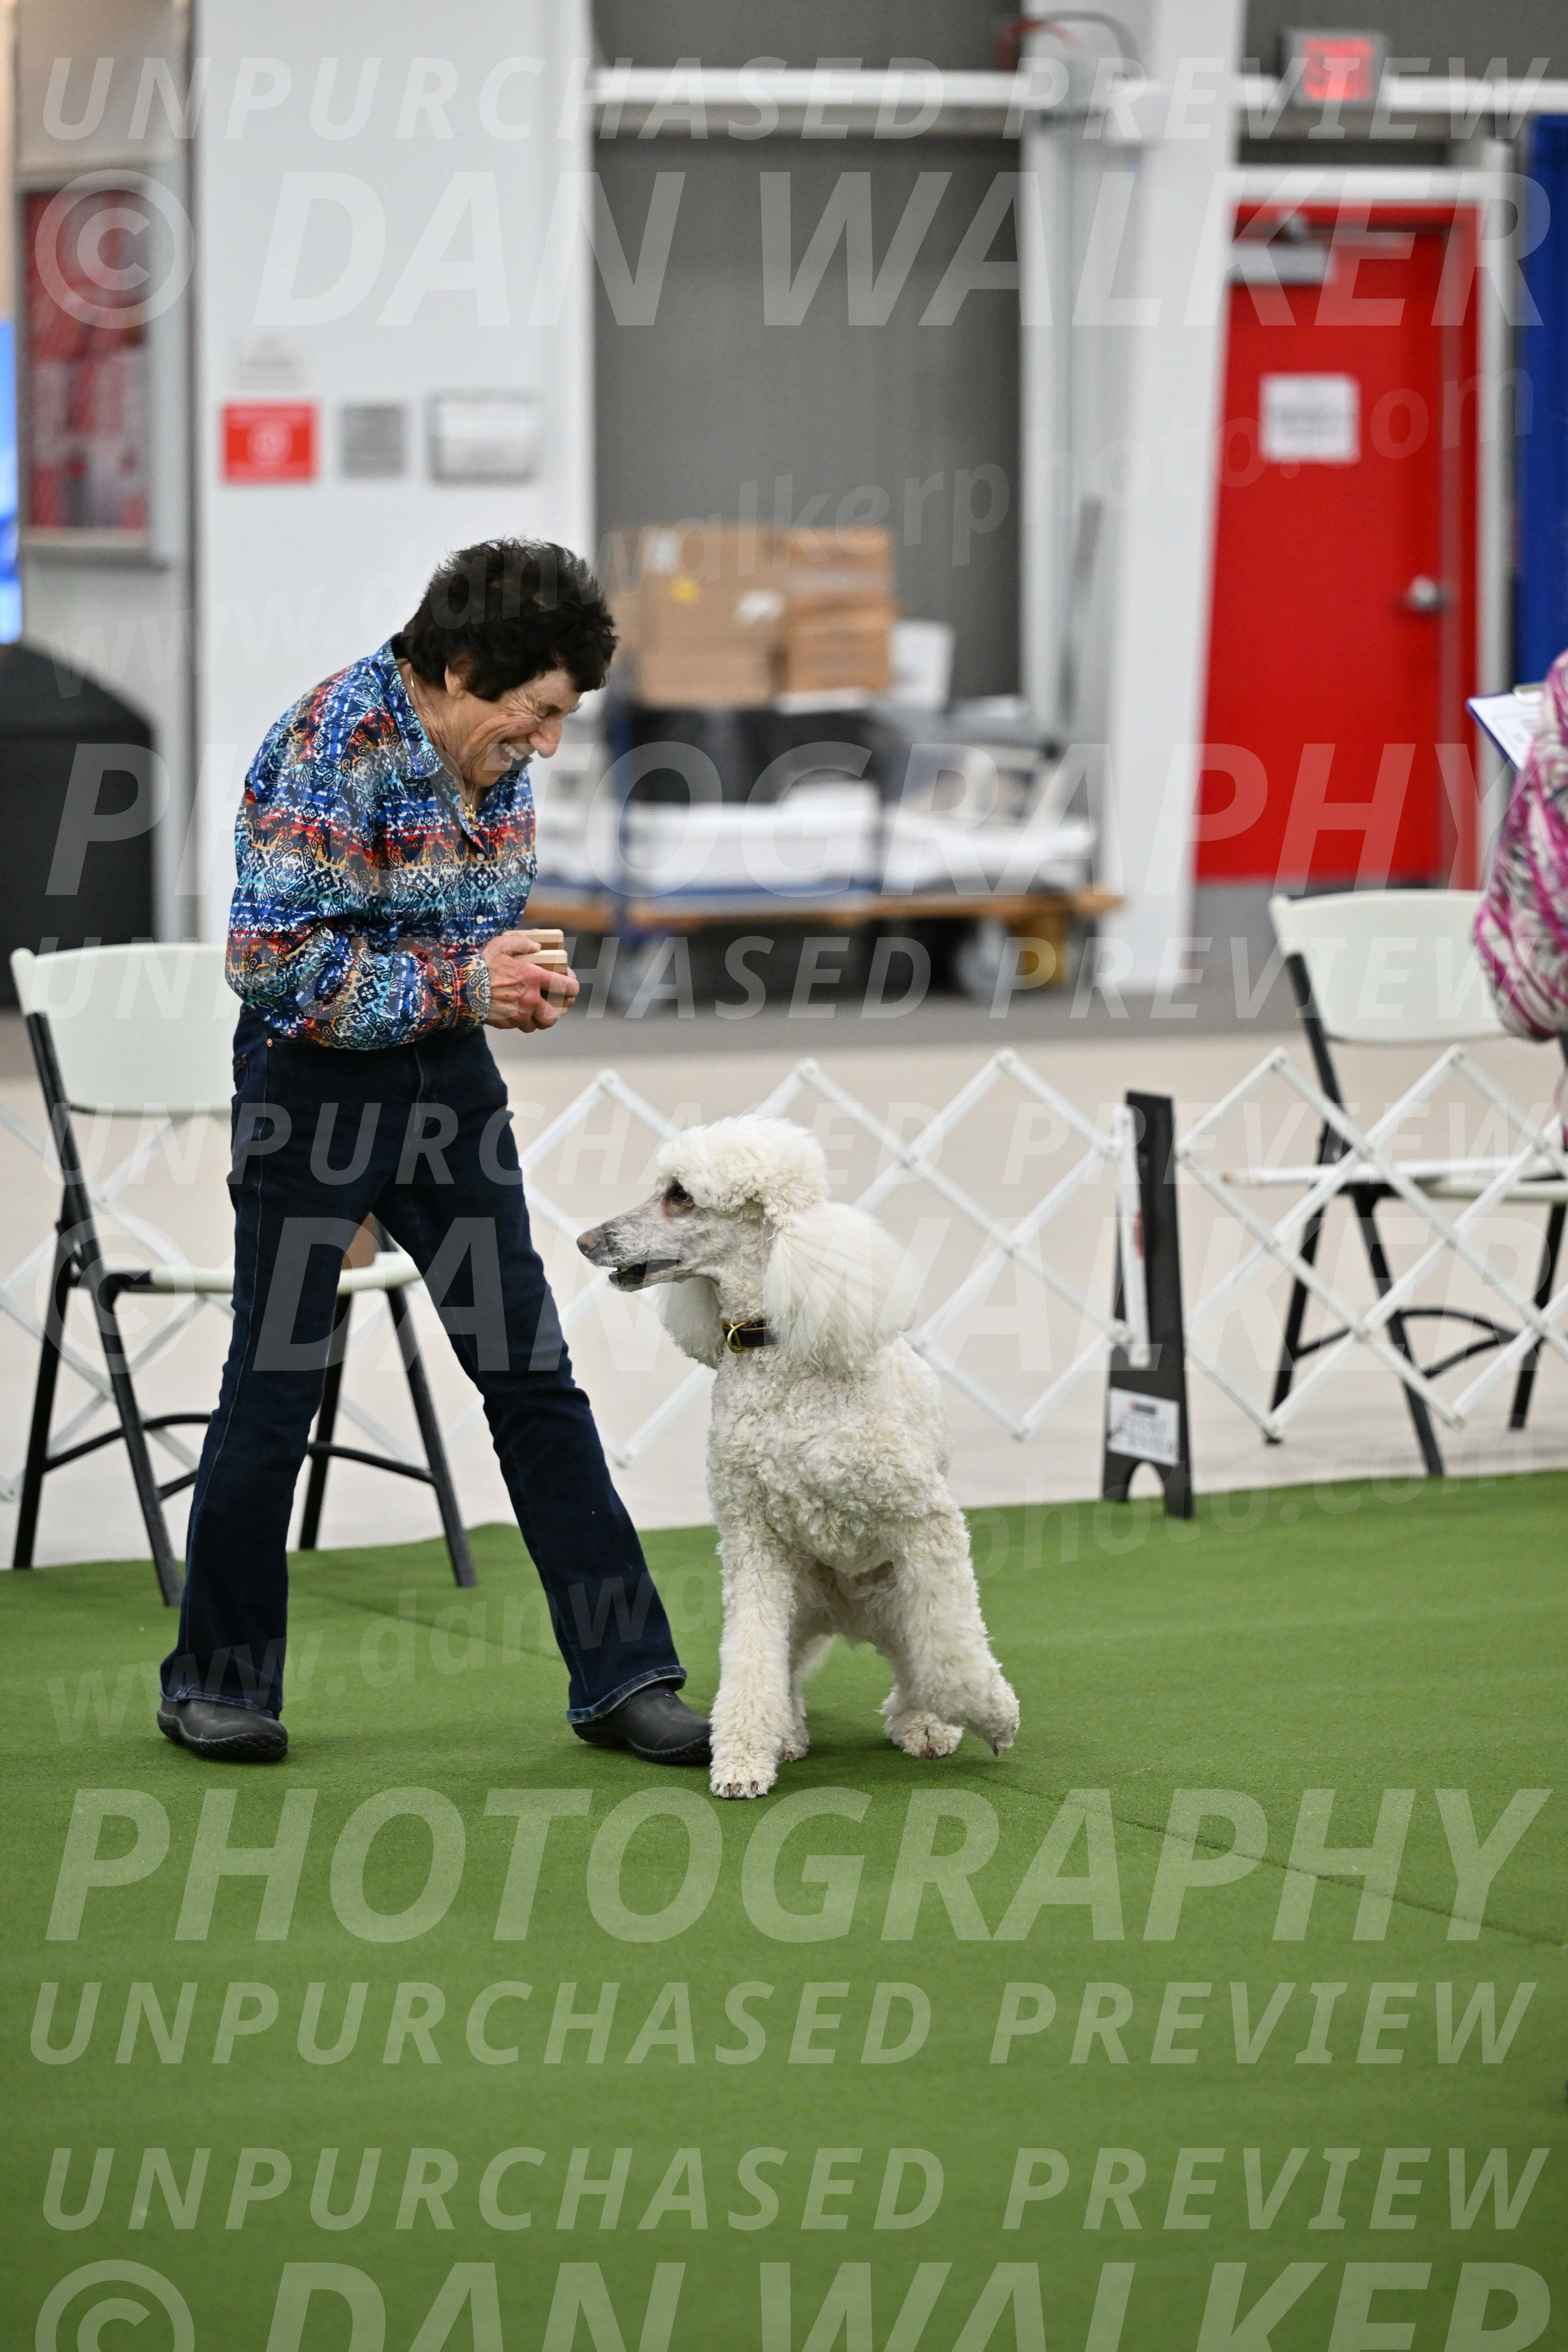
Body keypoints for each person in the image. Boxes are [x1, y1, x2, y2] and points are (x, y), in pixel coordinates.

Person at [158, 538, 710, 1767]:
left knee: (532, 1376)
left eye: (561, 719)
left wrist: (509, 985)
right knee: (276, 1383)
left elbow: (465, 940)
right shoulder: (329, 746)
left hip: (446, 1088)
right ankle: (215, 1683)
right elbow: (270, 965)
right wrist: (465, 983)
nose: (547, 745)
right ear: (459, 669)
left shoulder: (487, 754)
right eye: (537, 714)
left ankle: (626, 1677)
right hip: (310, 1094)